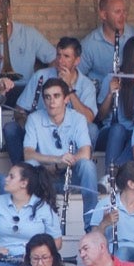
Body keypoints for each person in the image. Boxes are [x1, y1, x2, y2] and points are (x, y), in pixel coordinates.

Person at [7, 37, 100, 166]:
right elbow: (19, 110)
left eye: (66, 56)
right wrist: (29, 124)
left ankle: (75, 169)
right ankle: (21, 173)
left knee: (92, 129)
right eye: (58, 55)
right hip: (40, 131)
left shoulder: (86, 85)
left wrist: (69, 88)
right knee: (10, 129)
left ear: (77, 61)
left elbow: (88, 120)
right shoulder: (40, 76)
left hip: (71, 134)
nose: (60, 61)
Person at [24, 78, 100, 229]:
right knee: (30, 165)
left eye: (56, 96)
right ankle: (32, 224)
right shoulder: (34, 118)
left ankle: (91, 225)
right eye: (47, 97)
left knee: (88, 166)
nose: (51, 101)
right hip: (47, 176)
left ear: (66, 99)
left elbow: (85, 152)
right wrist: (57, 160)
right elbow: (28, 154)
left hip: (72, 177)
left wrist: (63, 164)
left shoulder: (77, 118)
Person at [0, 163, 61, 266]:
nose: (6, 179)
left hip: (33, 262)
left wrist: (37, 255)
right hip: (4, 260)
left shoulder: (43, 207)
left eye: (11, 176)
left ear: (24, 183)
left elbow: (57, 241)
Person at [0, 0, 56, 101]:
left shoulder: (29, 34)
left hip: (28, 93)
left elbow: (55, 60)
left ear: (7, 10)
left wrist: (43, 81)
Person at [96, 35, 134, 167]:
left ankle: (114, 174)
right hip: (110, 132)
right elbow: (101, 115)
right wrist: (110, 94)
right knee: (118, 130)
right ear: (132, 55)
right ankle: (109, 176)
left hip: (133, 132)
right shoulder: (112, 77)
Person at [89, 161, 134, 262]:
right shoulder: (105, 204)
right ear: (131, 184)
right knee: (121, 253)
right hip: (112, 255)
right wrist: (104, 223)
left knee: (124, 251)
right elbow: (92, 241)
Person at [80, 0, 134, 86]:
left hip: (130, 93)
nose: (123, 16)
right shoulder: (89, 44)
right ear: (103, 15)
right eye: (117, 12)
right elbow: (77, 75)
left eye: (124, 11)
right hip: (102, 96)